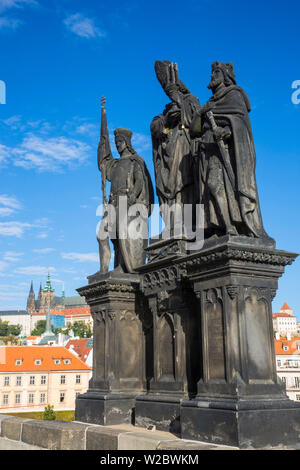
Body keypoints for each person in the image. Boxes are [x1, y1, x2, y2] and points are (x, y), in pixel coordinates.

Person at [191, 61, 271, 239]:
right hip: (208, 151)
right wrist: (199, 113)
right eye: (212, 73)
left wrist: (226, 131)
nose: (212, 76)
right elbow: (195, 130)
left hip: (227, 152)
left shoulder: (233, 95)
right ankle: (222, 226)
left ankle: (233, 226)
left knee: (220, 187)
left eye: (216, 73)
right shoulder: (210, 103)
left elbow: (240, 124)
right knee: (211, 189)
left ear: (225, 77)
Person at [97, 99, 154, 273]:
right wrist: (103, 138)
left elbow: (140, 182)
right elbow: (104, 160)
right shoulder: (114, 164)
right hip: (113, 203)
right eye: (115, 143)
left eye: (119, 142)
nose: (117, 145)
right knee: (102, 234)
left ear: (126, 142)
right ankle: (103, 269)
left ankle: (123, 267)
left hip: (127, 202)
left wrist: (132, 196)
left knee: (123, 234)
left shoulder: (135, 161)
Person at [151, 61, 200, 234]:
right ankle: (173, 223)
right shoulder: (165, 111)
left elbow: (197, 119)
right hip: (169, 152)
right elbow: (156, 126)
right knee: (170, 186)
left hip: (184, 149)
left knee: (184, 183)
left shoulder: (191, 100)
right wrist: (166, 121)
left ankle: (187, 222)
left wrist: (179, 103)